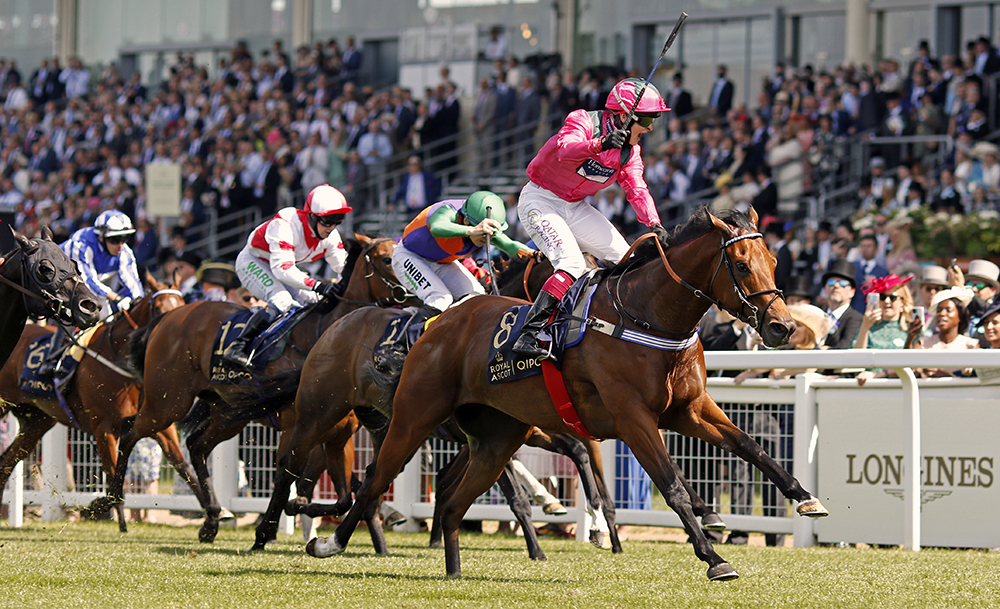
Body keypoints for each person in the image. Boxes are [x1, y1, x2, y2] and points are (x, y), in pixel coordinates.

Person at [513, 77, 669, 360]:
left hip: (573, 206)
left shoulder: (629, 152)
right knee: (571, 263)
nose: (650, 127)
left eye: (653, 120)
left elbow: (637, 188)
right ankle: (531, 333)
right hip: (540, 199)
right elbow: (565, 151)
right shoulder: (583, 120)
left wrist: (654, 224)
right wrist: (600, 144)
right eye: (646, 119)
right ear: (624, 115)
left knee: (626, 259)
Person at [375, 191, 536, 369]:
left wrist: (535, 254)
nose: (485, 239)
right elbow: (437, 226)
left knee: (477, 297)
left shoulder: (478, 224)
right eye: (482, 234)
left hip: (441, 261)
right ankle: (397, 349)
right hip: (409, 256)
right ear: (467, 221)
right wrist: (472, 231)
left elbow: (510, 245)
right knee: (440, 299)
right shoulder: (448, 211)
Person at [730, 303, 830, 546]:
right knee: (773, 473)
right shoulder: (785, 351)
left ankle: (784, 536)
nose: (794, 330)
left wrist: (761, 370)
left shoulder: (817, 351)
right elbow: (769, 369)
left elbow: (777, 370)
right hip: (779, 422)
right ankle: (750, 533)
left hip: (803, 428)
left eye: (800, 326)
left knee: (784, 476)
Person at [223, 184, 351, 367]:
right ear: (312, 216)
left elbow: (343, 267)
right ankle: (238, 346)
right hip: (253, 262)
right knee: (283, 301)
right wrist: (319, 284)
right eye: (328, 221)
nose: (332, 228)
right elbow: (282, 270)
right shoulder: (285, 223)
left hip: (282, 268)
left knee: (312, 300)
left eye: (337, 221)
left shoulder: (331, 235)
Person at [38, 209, 144, 376]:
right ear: (101, 237)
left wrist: (138, 302)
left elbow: (133, 281)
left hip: (81, 285)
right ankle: (51, 359)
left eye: (125, 238)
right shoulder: (81, 243)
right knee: (76, 312)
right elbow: (87, 281)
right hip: (56, 281)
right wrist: (117, 298)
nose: (121, 245)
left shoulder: (125, 252)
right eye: (115, 240)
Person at [852, 274, 923, 386]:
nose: (887, 301)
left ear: (903, 302)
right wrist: (865, 327)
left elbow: (915, 364)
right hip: (869, 386)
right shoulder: (869, 326)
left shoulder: (911, 329)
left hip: (902, 386)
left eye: (893, 297)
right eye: (883, 297)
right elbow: (855, 360)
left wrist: (881, 373)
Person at [915, 286, 979, 377]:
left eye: (948, 310)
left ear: (960, 316)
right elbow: (910, 369)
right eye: (939, 310)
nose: (942, 314)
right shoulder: (922, 343)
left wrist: (940, 374)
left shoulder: (970, 345)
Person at [821, 258, 864, 349]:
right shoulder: (818, 313)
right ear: (825, 289)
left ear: (852, 292)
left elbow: (846, 346)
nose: (836, 286)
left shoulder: (856, 318)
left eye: (843, 283)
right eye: (831, 282)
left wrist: (823, 350)